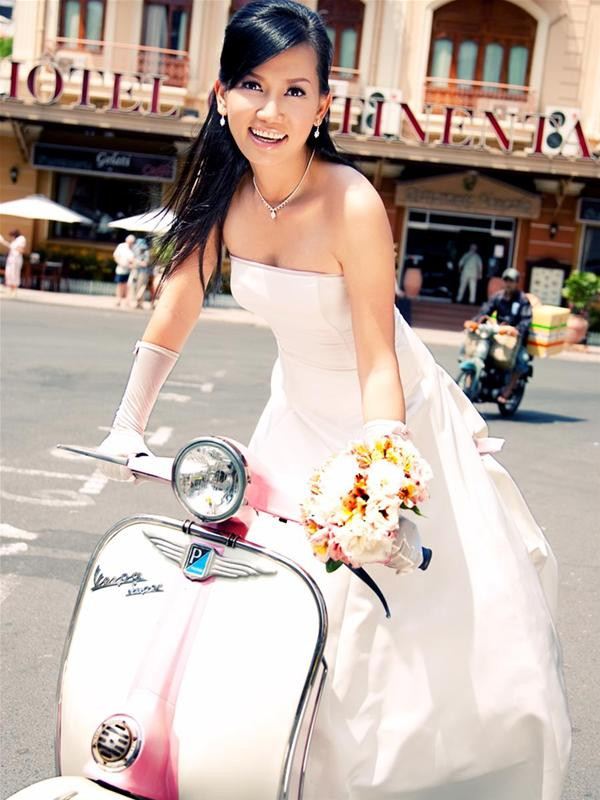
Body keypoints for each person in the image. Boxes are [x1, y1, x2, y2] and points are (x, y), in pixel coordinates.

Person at [96, 2, 570, 797]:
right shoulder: (223, 190)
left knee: (396, 623)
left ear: (323, 105)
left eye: (294, 91)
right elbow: (177, 304)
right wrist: (126, 425)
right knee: (270, 598)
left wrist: (384, 467)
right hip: (295, 413)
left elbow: (379, 352)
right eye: (253, 85)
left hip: (387, 418)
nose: (271, 110)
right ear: (221, 95)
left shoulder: (352, 202)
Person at [472, 267, 533, 403]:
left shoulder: (523, 300)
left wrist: (517, 330)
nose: (508, 284)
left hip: (516, 338)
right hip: (499, 334)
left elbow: (526, 319)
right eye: (506, 280)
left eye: (511, 281)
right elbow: (485, 310)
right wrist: (476, 321)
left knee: (522, 360)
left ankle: (508, 390)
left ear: (517, 283)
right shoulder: (498, 297)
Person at [0, 229, 27, 296]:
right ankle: (10, 289)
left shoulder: (21, 239)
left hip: (16, 259)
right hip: (11, 259)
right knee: (9, 273)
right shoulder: (15, 240)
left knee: (14, 274)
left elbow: (21, 250)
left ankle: (14, 290)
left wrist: (4, 242)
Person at [112, 234, 136, 308]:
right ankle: (118, 300)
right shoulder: (121, 246)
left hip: (130, 270)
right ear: (126, 241)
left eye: (132, 242)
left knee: (128, 286)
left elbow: (134, 260)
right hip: (121, 269)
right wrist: (120, 263)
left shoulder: (134, 248)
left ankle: (127, 301)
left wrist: (132, 264)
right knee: (120, 285)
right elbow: (115, 256)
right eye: (129, 242)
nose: (130, 243)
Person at [128, 236, 151, 309]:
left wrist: (137, 262)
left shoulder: (146, 252)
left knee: (140, 287)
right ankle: (135, 302)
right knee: (133, 287)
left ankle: (140, 303)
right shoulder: (136, 251)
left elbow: (145, 263)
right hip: (135, 271)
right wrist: (136, 262)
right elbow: (131, 260)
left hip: (143, 272)